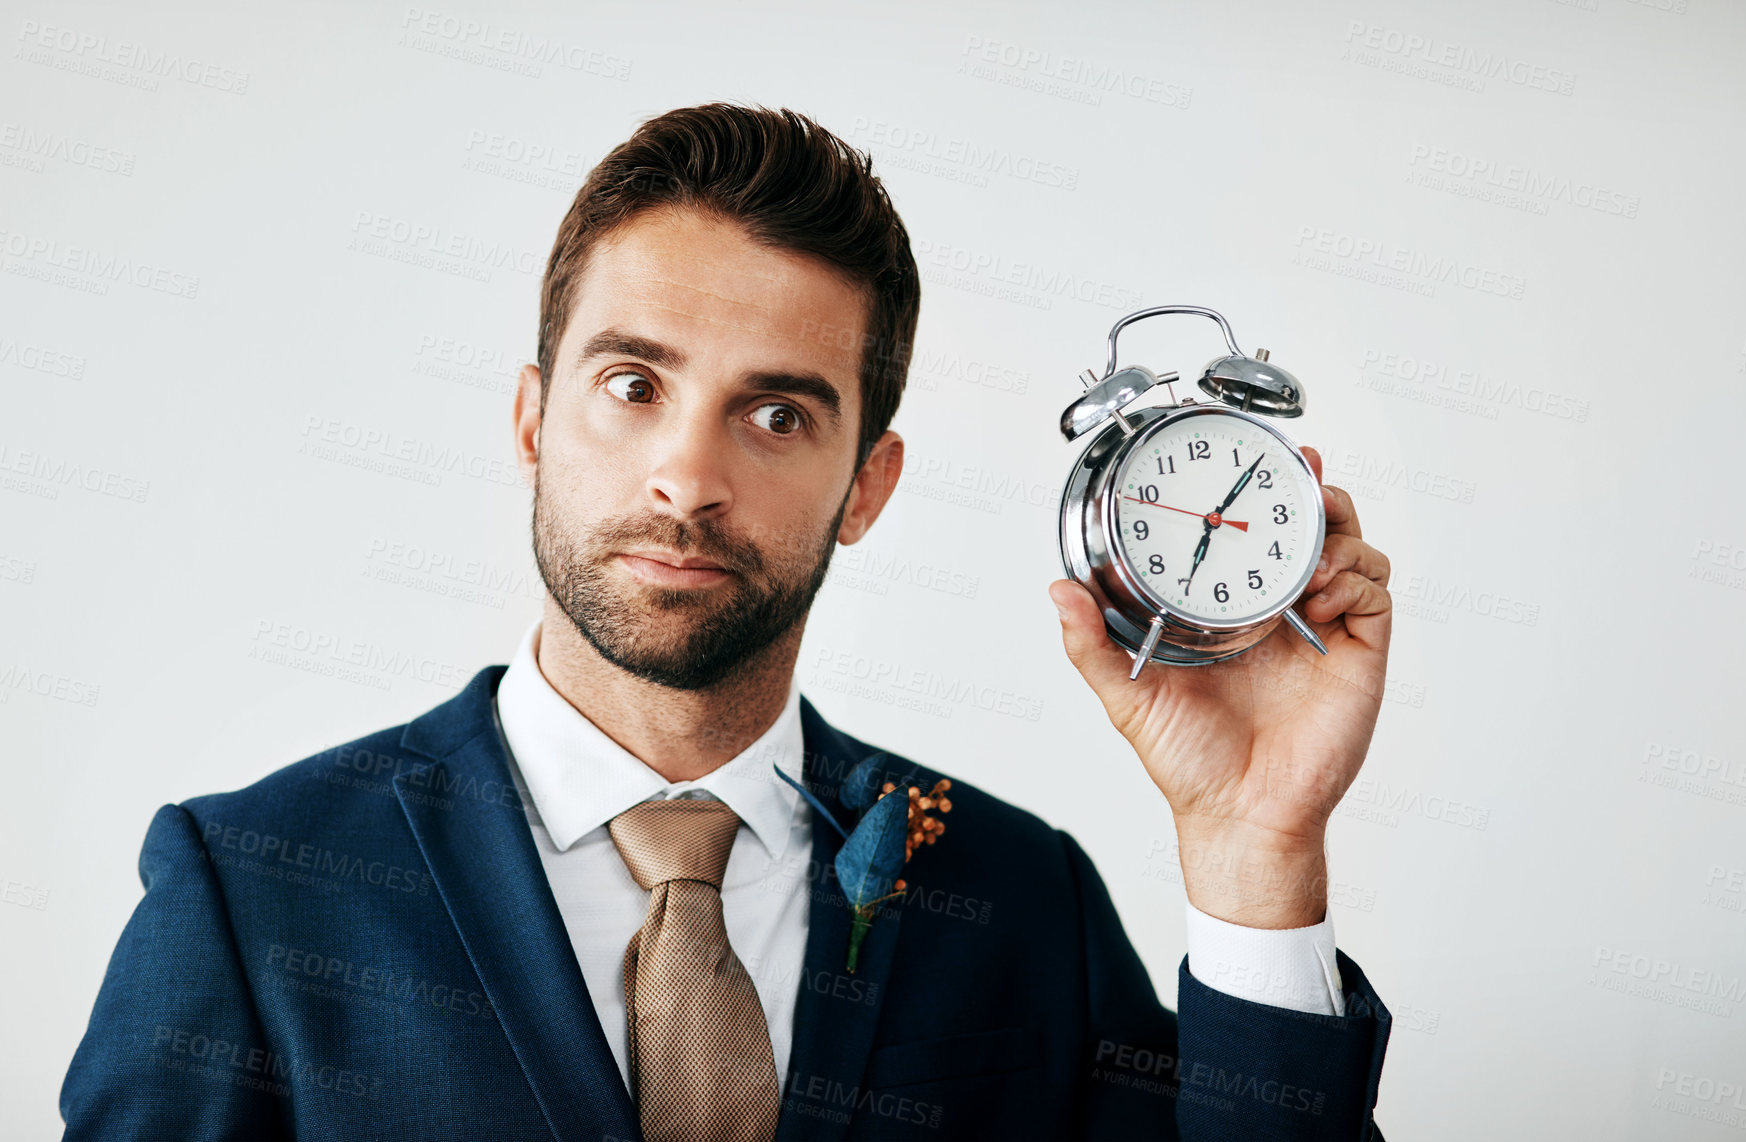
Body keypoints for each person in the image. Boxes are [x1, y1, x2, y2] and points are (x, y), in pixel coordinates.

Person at [61, 103, 1394, 1140]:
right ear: (532, 419)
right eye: (633, 383)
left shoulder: (1019, 903)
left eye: (776, 414)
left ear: (866, 484)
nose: (687, 476)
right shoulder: (251, 888)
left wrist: (1253, 846)